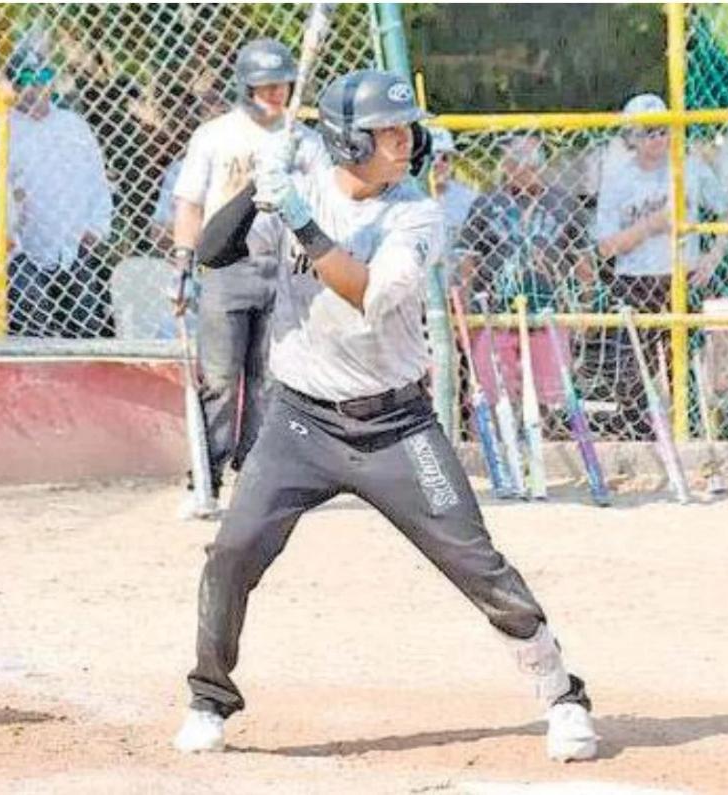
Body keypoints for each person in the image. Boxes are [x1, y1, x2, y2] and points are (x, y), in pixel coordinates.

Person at [171, 69, 599, 763]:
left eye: (406, 130)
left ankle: (562, 694)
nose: (404, 142)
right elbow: (215, 254)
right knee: (233, 551)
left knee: (474, 560)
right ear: (347, 141)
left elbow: (368, 294)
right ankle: (208, 698)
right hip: (300, 421)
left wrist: (300, 219)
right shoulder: (300, 187)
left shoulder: (415, 214)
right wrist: (255, 190)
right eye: (386, 132)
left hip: (395, 425)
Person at [168, 38, 327, 520]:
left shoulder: (306, 142)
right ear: (245, 88)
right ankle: (205, 480)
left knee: (271, 382)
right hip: (226, 268)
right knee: (219, 379)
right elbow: (190, 203)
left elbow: (325, 202)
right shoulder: (215, 136)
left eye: (282, 85)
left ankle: (256, 481)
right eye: (265, 86)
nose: (276, 94)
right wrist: (182, 262)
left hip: (286, 269)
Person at [591, 92, 728, 440]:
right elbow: (606, 247)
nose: (657, 138)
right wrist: (650, 226)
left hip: (679, 277)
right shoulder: (618, 179)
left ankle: (691, 435)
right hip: (634, 281)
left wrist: (712, 258)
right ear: (631, 137)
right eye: (647, 132)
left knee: (683, 367)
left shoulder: (690, 168)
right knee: (631, 372)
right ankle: (638, 439)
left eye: (662, 129)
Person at [454, 135, 594, 412]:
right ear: (505, 165)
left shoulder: (564, 203)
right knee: (494, 401)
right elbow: (468, 263)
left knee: (551, 401)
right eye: (516, 160)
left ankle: (548, 434)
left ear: (543, 166)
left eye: (532, 161)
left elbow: (583, 264)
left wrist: (586, 308)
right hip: (495, 316)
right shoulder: (486, 203)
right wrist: (466, 316)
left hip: (549, 315)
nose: (524, 168)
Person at [5, 47, 114, 338]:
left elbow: (97, 180)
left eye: (42, 77)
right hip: (22, 249)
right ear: (13, 85)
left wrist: (97, 227)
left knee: (85, 325)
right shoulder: (3, 129)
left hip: (73, 246)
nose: (33, 87)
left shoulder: (73, 126)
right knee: (32, 325)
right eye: (24, 79)